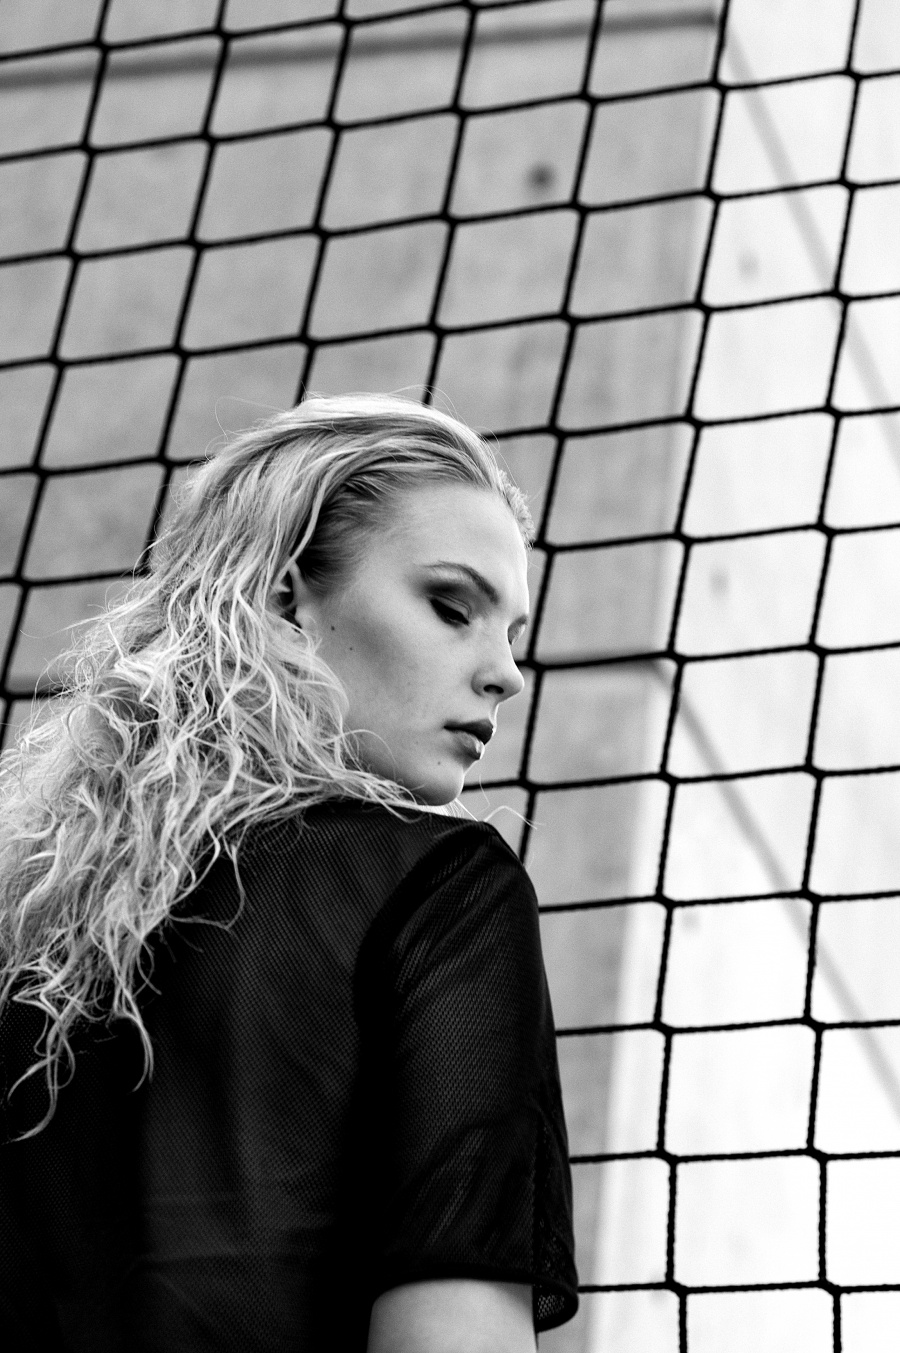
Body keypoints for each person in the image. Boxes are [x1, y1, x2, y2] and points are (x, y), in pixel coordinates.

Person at [0, 393, 578, 1351]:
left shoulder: (25, 933)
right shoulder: (442, 893)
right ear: (282, 601)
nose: (506, 672)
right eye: (451, 607)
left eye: (510, 630)